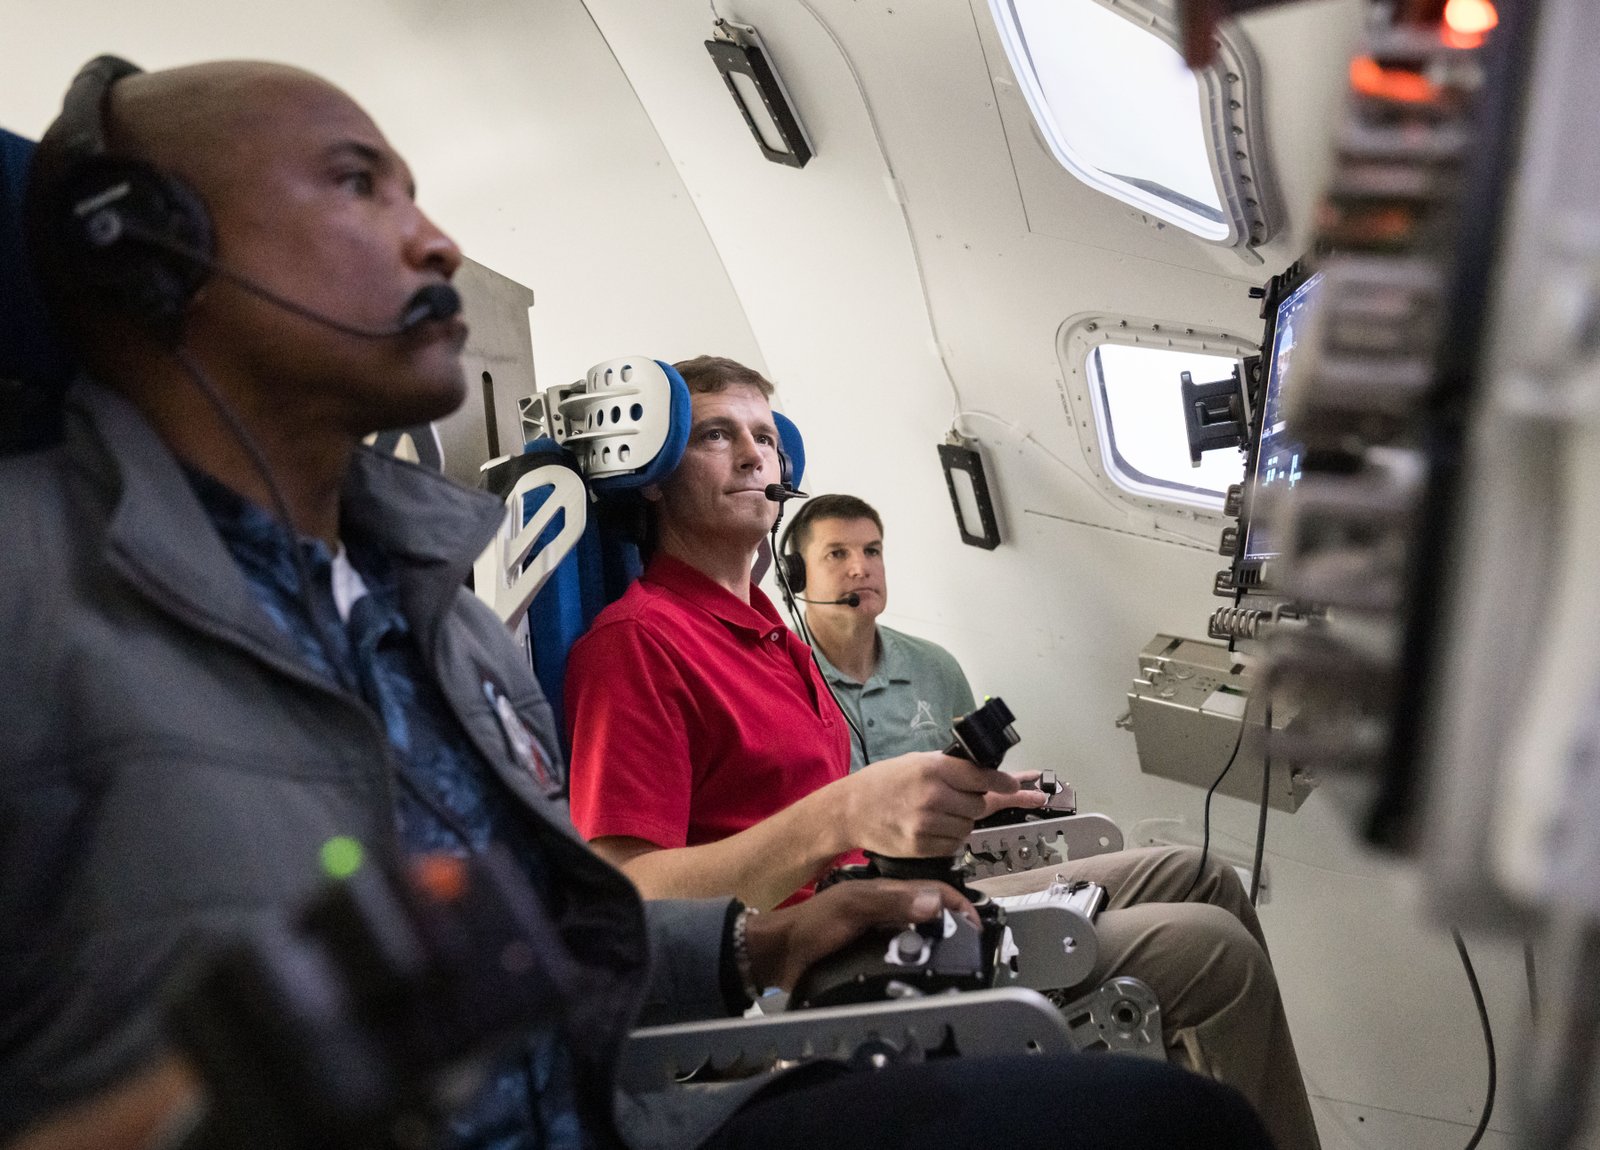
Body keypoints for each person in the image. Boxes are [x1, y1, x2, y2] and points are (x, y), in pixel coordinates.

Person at [0, 57, 1276, 1150]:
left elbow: (563, 934)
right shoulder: (31, 595)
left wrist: (754, 945)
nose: (433, 241)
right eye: (354, 184)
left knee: (1171, 1115)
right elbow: (623, 876)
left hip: (615, 1112)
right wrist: (222, 1099)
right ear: (150, 247)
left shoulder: (438, 615)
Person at [564, 359, 1321, 1150]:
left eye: (764, 436)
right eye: (716, 436)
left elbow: (801, 810)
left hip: (873, 900)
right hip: (799, 960)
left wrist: (955, 804)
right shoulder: (638, 646)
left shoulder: (766, 630)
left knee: (1199, 874)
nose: (754, 455)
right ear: (654, 475)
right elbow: (631, 903)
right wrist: (844, 814)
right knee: (1213, 955)